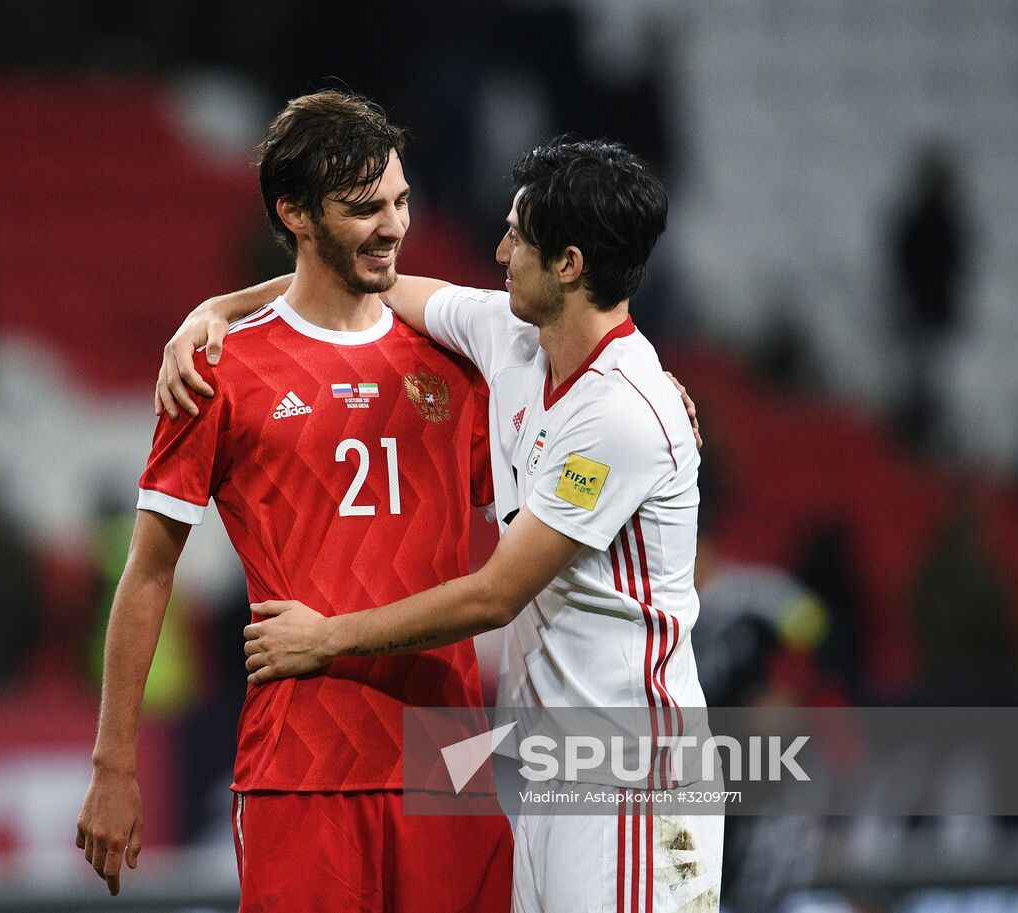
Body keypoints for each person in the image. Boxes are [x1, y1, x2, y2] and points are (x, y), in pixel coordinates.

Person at [168, 138, 720, 912]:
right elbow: (365, 283)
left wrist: (326, 636)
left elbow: (494, 595)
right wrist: (221, 308)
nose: (496, 251)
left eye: (516, 236)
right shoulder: (514, 336)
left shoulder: (623, 414)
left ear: (566, 264)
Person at [75, 89, 513, 911]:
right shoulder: (217, 371)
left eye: (402, 201)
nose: (393, 226)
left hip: (447, 759)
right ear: (295, 214)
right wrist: (114, 763)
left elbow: (533, 511)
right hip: (303, 764)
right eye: (363, 208)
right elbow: (147, 573)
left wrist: (648, 388)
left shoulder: (455, 361)